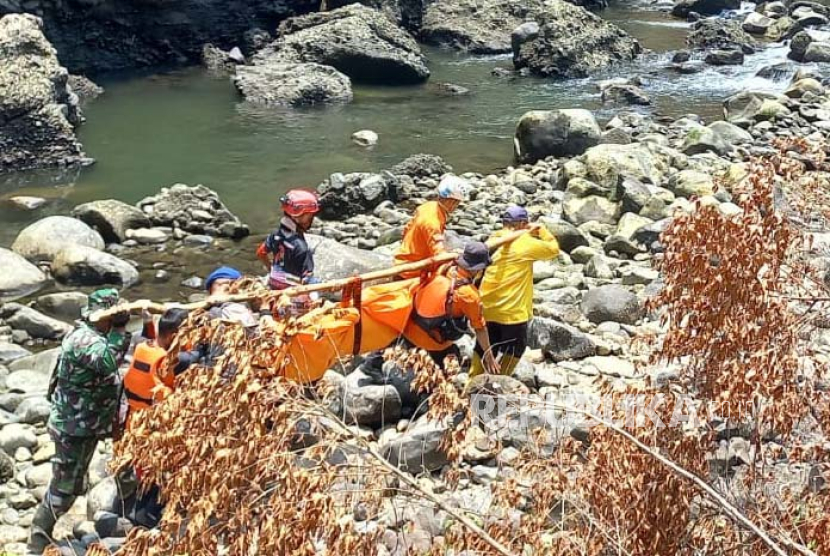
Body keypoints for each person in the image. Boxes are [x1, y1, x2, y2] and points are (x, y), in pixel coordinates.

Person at [28, 289, 132, 553]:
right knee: (66, 488)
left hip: (91, 421)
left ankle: (129, 520)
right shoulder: (84, 339)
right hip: (74, 427)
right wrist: (121, 330)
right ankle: (37, 540)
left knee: (128, 466)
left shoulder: (95, 334)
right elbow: (108, 362)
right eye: (114, 317)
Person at [472, 206, 560, 377]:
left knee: (485, 345)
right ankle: (499, 381)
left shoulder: (494, 238)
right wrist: (541, 230)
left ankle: (472, 380)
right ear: (522, 224)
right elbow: (553, 249)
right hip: (512, 311)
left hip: (486, 306)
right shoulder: (526, 243)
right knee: (516, 348)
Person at [404, 242, 500, 373]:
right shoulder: (469, 295)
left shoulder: (445, 268)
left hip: (409, 328)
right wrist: (489, 357)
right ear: (478, 269)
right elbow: (480, 328)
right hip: (431, 341)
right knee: (449, 368)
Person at [122, 308, 193, 423]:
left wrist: (148, 323)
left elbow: (152, 337)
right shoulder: (172, 361)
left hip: (133, 422)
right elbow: (196, 356)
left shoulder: (141, 346)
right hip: (155, 427)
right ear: (173, 337)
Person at [394, 175, 468, 277]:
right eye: (457, 203)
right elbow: (439, 254)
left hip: (404, 257)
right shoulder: (433, 222)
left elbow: (406, 229)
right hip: (413, 269)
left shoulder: (428, 206)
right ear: (452, 201)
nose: (456, 206)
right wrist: (457, 255)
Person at [257, 189, 320, 290]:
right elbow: (307, 280)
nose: (312, 219)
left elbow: (261, 253)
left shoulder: (275, 234)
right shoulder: (301, 247)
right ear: (300, 217)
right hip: (292, 292)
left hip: (274, 283)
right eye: (310, 216)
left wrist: (271, 270)